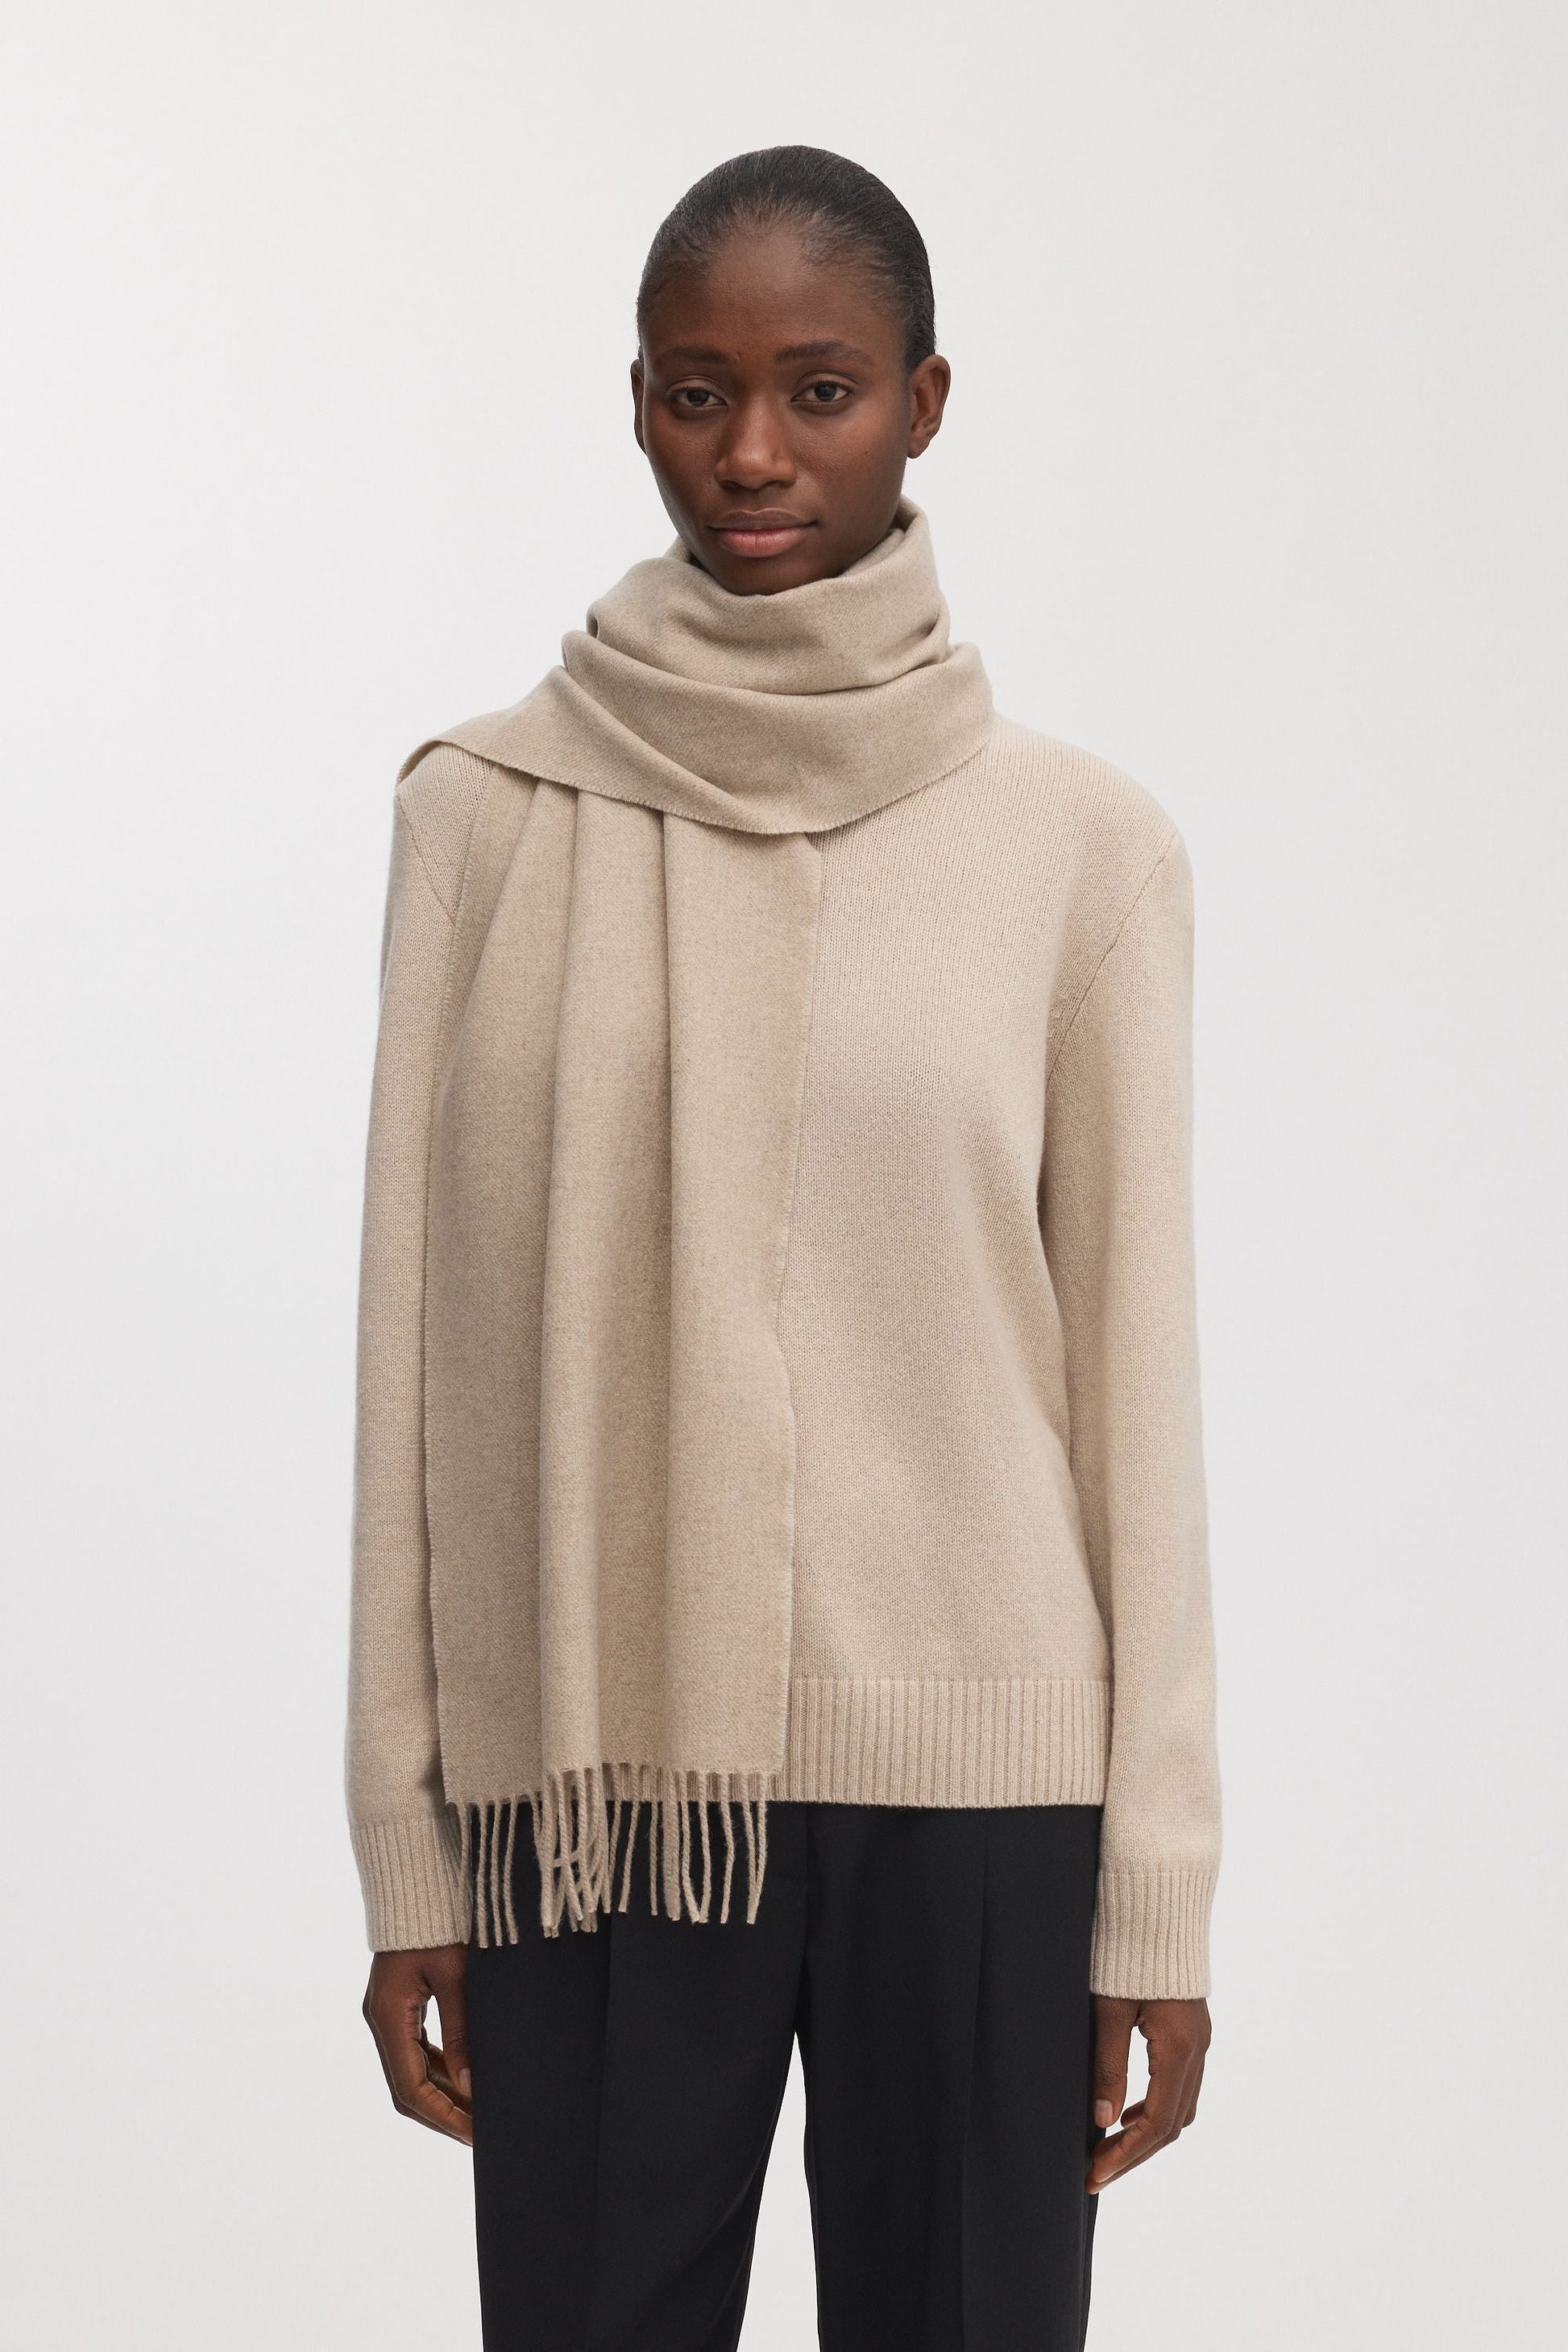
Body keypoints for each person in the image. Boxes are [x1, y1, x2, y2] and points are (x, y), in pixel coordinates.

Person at [346, 145, 1219, 2352]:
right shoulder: (482, 817)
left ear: (924, 403)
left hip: (983, 1796)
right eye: (695, 389)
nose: (751, 452)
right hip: (596, 1783)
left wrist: (1157, 1893)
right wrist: (408, 1840)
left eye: (818, 390)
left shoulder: (1082, 851)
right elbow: (411, 1374)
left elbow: (1137, 1392)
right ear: (635, 401)